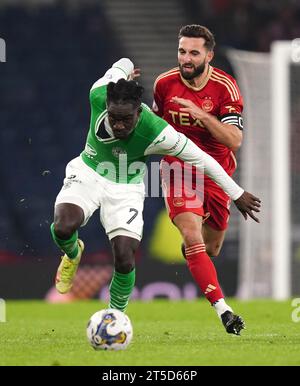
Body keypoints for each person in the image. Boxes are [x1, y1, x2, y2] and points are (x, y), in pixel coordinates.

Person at [50, 58, 260, 333]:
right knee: (64, 227)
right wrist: (127, 70)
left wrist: (237, 193)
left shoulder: (159, 132)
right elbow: (121, 63)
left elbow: (204, 160)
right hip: (88, 171)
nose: (119, 125)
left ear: (139, 112)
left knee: (125, 255)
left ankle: (113, 320)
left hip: (126, 187)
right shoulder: (99, 93)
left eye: (126, 120)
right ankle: (72, 252)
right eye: (114, 118)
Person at [153, 24, 256, 335]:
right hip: (178, 167)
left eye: (194, 52)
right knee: (191, 234)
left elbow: (234, 140)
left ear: (209, 55)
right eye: (182, 51)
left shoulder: (226, 88)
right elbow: (157, 127)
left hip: (215, 171)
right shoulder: (164, 84)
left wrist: (203, 116)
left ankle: (196, 251)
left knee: (210, 249)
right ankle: (223, 311)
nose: (186, 58)